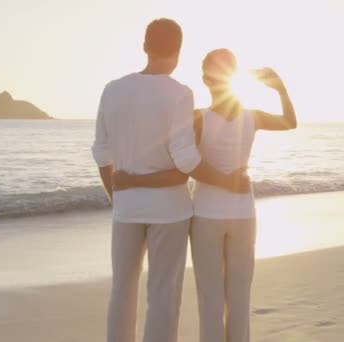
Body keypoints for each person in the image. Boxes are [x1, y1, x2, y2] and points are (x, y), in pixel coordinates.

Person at [112, 48, 297, 342]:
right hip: (243, 214)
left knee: (209, 298)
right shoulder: (254, 117)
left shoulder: (198, 118)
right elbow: (290, 122)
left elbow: (187, 167)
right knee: (239, 297)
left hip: (206, 215)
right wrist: (280, 89)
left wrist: (134, 177)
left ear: (204, 79)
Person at [91, 21, 250, 342]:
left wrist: (119, 195)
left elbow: (101, 152)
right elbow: (186, 161)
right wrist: (228, 180)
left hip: (126, 211)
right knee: (163, 294)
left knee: (122, 289)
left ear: (145, 46)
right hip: (170, 212)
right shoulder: (180, 93)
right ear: (178, 52)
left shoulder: (112, 89)